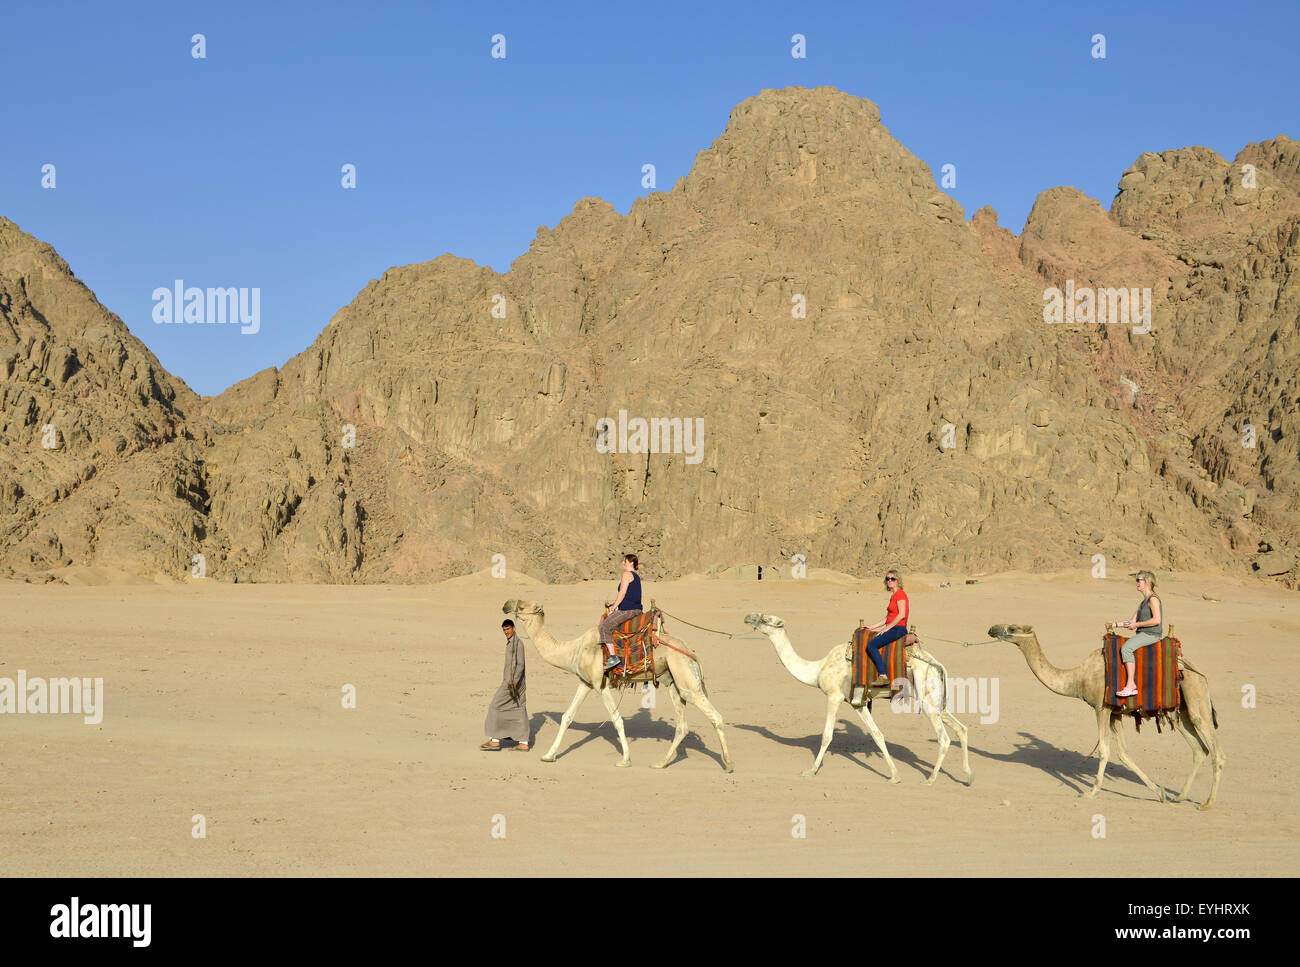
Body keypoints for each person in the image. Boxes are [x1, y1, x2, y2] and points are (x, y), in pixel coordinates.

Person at [1108, 570, 1163, 698]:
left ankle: (1131, 685)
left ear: (1148, 582)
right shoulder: (1143, 603)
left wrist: (1137, 625)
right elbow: (1132, 622)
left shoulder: (1153, 599)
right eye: (1136, 580)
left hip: (1151, 634)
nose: (1137, 583)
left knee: (1126, 648)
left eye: (1139, 580)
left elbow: (1157, 620)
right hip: (1142, 633)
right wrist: (1115, 624)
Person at [482, 619, 529, 751]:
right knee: (518, 710)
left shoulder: (518, 644)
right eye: (504, 630)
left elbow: (521, 665)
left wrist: (514, 681)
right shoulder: (510, 643)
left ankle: (495, 740)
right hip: (512, 682)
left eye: (508, 629)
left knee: (495, 706)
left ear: (513, 628)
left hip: (512, 684)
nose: (506, 632)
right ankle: (523, 743)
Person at [599, 553, 643, 670]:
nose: (622, 563)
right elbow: (629, 595)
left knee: (604, 627)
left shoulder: (627, 574)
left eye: (625, 561)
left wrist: (613, 609)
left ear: (631, 563)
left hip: (628, 610)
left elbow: (622, 593)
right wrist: (615, 602)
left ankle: (613, 657)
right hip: (635, 609)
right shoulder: (635, 576)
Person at [865, 568, 908, 686]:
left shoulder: (900, 594)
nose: (890, 581)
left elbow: (901, 615)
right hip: (893, 626)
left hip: (898, 628)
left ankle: (883, 675)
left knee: (871, 645)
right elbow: (887, 618)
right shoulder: (893, 596)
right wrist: (871, 627)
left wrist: (887, 629)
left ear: (898, 580)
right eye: (887, 579)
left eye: (892, 578)